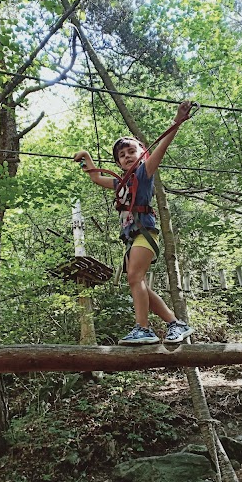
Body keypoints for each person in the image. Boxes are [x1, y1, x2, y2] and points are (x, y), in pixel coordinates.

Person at [73, 100, 195, 345]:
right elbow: (97, 178)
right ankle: (175, 323)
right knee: (139, 284)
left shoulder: (144, 172)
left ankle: (143, 328)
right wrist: (86, 157)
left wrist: (178, 120)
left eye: (131, 151)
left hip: (145, 232)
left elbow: (162, 146)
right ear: (118, 163)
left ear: (142, 154)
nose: (127, 156)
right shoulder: (119, 182)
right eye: (122, 155)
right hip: (131, 238)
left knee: (134, 278)